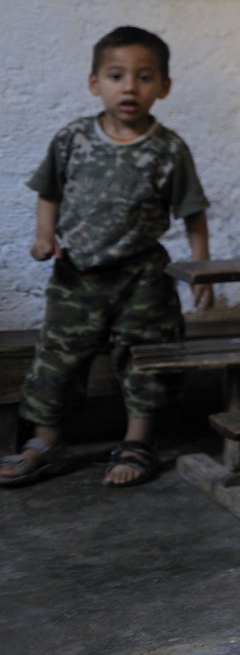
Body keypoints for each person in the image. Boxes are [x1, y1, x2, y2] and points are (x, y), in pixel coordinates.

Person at [1, 27, 212, 489]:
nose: (129, 87)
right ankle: (45, 442)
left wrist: (202, 271)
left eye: (144, 77)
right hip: (76, 276)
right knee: (57, 358)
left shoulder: (169, 149)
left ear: (164, 87)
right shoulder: (72, 139)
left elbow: (193, 213)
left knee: (143, 357)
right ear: (94, 83)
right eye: (117, 76)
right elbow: (49, 192)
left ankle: (138, 441)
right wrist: (43, 237)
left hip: (143, 278)